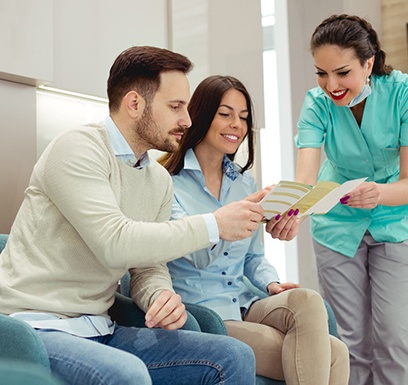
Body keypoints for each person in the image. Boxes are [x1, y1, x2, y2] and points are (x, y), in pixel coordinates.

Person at [0, 46, 265, 385]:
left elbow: (148, 265)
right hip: (35, 327)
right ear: (135, 103)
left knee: (233, 355)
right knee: (126, 374)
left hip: (100, 327)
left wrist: (158, 295)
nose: (187, 120)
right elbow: (115, 243)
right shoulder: (77, 149)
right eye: (175, 107)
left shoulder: (156, 179)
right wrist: (214, 224)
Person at [160, 75, 350, 385]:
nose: (236, 124)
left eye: (244, 117)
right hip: (206, 314)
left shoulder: (244, 182)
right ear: (202, 114)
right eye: (225, 114)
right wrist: (233, 216)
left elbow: (253, 257)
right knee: (335, 355)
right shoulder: (167, 183)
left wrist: (271, 283)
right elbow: (196, 257)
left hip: (247, 301)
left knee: (308, 301)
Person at [267, 14, 408, 385]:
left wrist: (379, 193)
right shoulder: (316, 104)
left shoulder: (402, 94)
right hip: (337, 223)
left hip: (395, 218)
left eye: (342, 73)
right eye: (321, 73)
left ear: (369, 62)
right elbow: (305, 178)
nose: (331, 85)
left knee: (395, 339)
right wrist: (293, 214)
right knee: (350, 343)